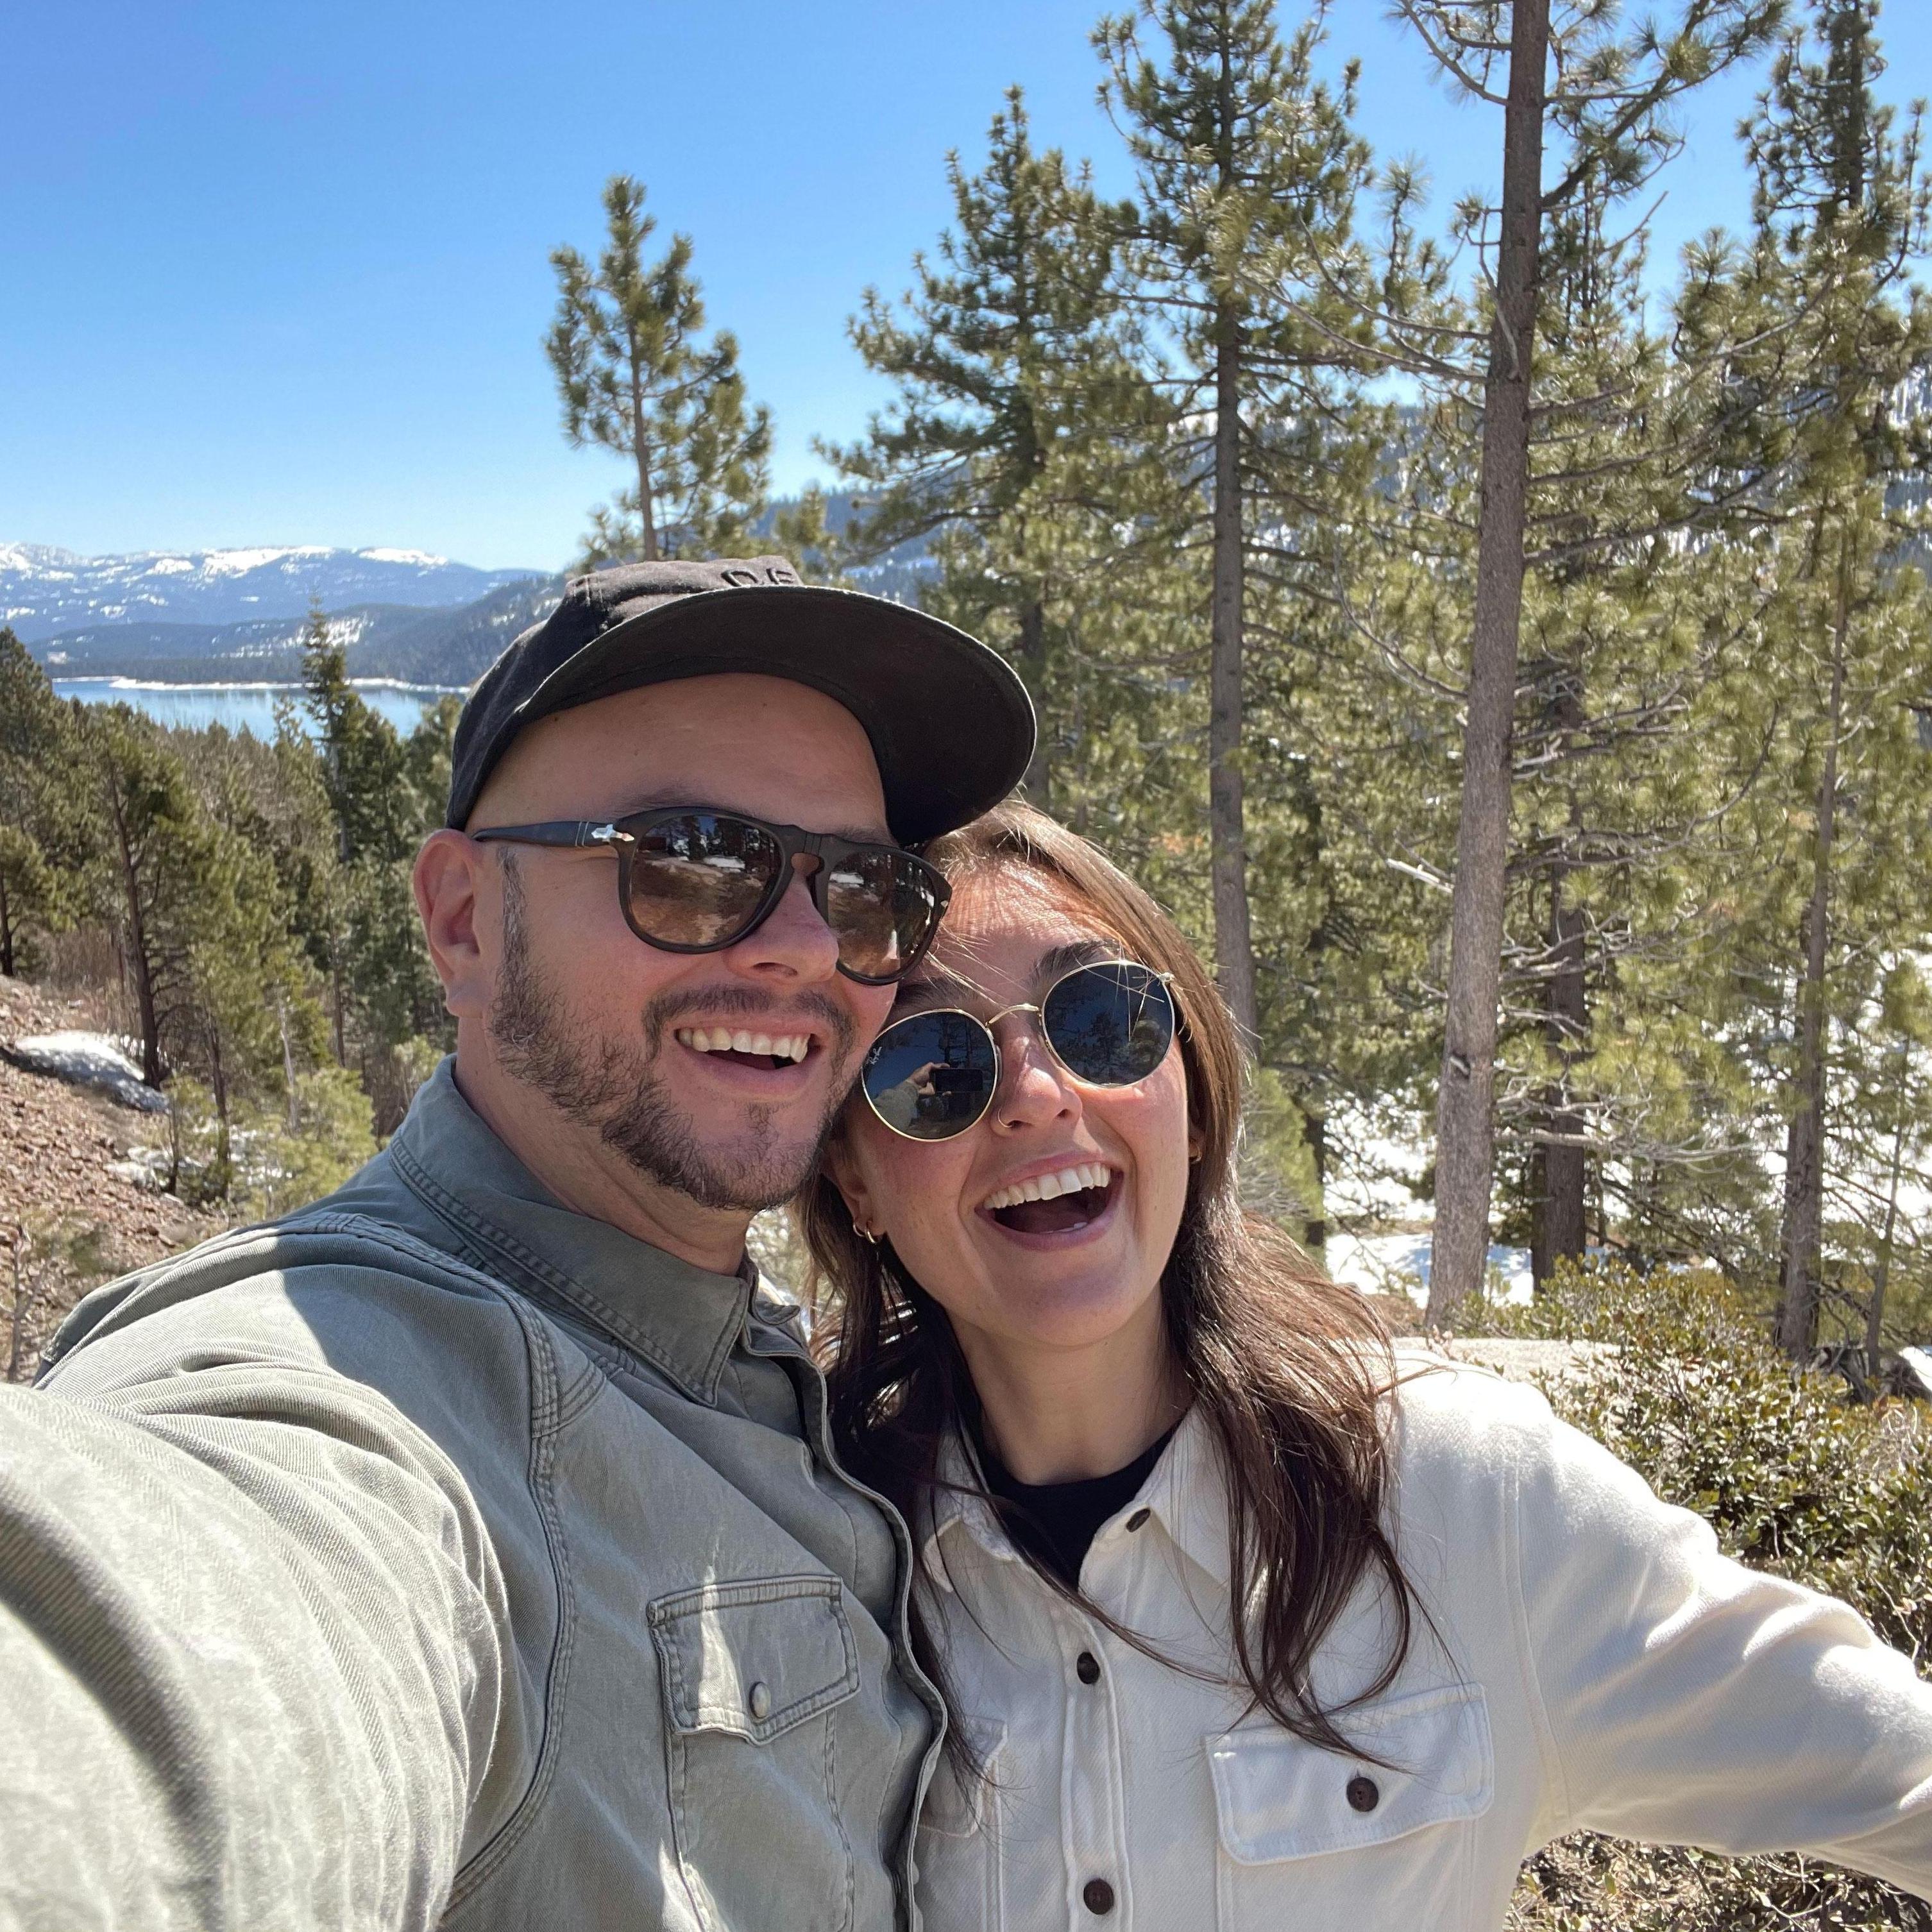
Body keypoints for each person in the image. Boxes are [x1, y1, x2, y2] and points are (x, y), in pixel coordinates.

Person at [0, 556, 1035, 1931]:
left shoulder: (780, 1363)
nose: (803, 947)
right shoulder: (364, 1394)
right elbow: (177, 1645)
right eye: (694, 858)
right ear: (463, 921)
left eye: (863, 888)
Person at [803, 801, 1932, 1932]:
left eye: (1100, 1019)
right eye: (933, 1064)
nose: (1039, 1094)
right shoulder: (812, 1562)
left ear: (1190, 1101)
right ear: (855, 1180)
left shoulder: (1469, 1503)